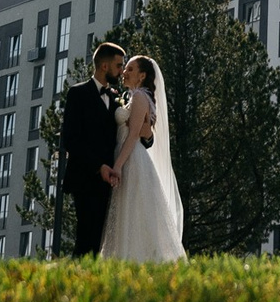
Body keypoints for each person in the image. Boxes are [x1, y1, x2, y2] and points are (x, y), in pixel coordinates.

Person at [99, 54, 186, 262]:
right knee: (129, 216)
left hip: (132, 160)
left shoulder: (139, 97)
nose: (124, 73)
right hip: (127, 156)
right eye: (125, 68)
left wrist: (118, 166)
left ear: (142, 76)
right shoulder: (133, 97)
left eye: (130, 69)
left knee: (133, 212)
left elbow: (133, 135)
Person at [60, 41, 126, 257]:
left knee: (102, 242)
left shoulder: (115, 97)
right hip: (85, 178)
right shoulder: (77, 94)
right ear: (105, 66)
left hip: (111, 182)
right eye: (118, 65)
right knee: (86, 239)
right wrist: (99, 167)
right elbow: (71, 140)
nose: (122, 71)